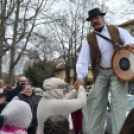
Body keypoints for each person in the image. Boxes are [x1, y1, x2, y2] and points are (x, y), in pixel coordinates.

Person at [75, 8, 134, 134]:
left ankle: (120, 132)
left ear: (103, 19)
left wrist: (130, 44)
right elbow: (83, 59)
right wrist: (80, 76)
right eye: (92, 19)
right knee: (94, 102)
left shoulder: (116, 30)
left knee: (119, 104)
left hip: (117, 71)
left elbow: (130, 39)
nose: (94, 21)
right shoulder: (89, 39)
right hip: (100, 72)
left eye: (96, 18)